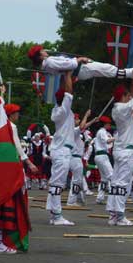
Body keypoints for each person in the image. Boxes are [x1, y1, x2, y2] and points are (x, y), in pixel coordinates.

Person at [106, 72, 133, 226]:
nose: (130, 98)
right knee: (123, 183)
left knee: (116, 182)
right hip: (126, 151)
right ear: (123, 96)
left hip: (120, 150)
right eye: (128, 96)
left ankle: (113, 215)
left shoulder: (117, 109)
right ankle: (120, 216)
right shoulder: (123, 108)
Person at [46, 70, 76, 226]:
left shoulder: (59, 110)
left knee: (55, 182)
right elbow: (68, 93)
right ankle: (57, 216)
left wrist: (65, 77)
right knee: (58, 184)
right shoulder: (64, 110)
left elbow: (66, 91)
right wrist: (69, 74)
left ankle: (54, 213)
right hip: (62, 151)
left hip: (60, 150)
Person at [27, 45, 133, 81]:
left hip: (80, 71)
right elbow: (69, 65)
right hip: (80, 69)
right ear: (40, 55)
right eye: (41, 51)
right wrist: (79, 59)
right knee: (108, 69)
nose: (44, 51)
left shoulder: (48, 64)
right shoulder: (48, 62)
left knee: (107, 69)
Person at [67, 111, 92, 206]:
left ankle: (79, 198)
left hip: (74, 158)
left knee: (79, 180)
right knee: (76, 180)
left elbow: (83, 127)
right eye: (77, 119)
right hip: (75, 158)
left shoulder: (71, 130)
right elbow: (82, 127)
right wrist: (86, 115)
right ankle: (71, 201)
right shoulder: (73, 130)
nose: (78, 120)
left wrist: (93, 120)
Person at [94, 116, 115, 204]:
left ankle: (100, 198)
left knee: (104, 179)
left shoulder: (101, 132)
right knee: (112, 176)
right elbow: (108, 141)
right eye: (108, 124)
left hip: (100, 156)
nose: (109, 126)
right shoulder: (102, 131)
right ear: (105, 124)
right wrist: (117, 137)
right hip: (102, 155)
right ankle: (114, 197)